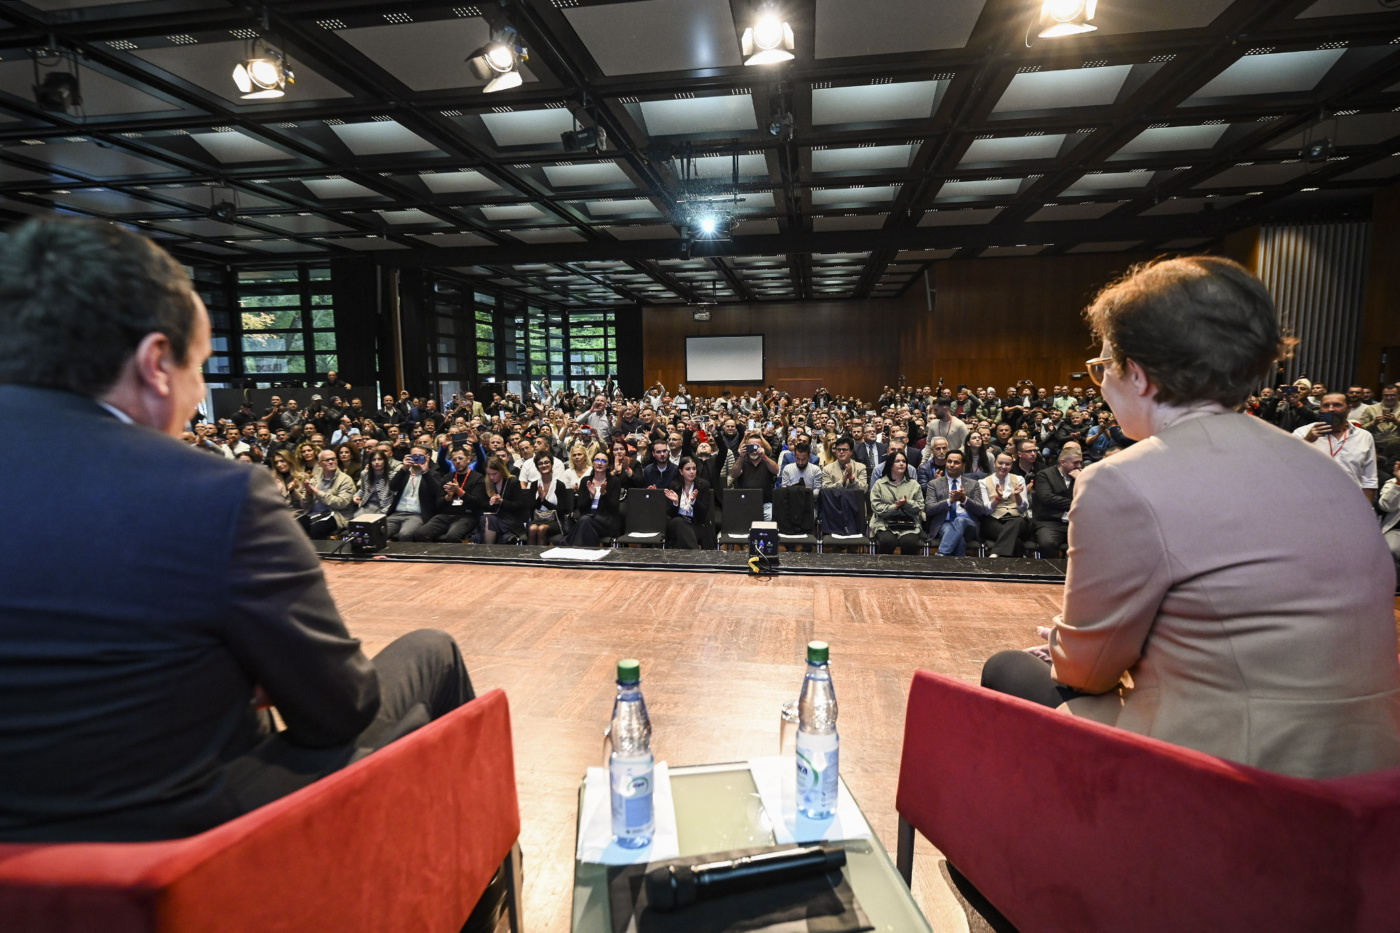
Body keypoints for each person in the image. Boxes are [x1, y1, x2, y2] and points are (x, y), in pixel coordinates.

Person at [0, 217, 476, 843]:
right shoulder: (215, 493)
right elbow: (339, 710)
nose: (198, 391)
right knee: (432, 651)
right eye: (200, 367)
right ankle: (466, 868)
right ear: (156, 363)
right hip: (177, 835)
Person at [981, 255, 1400, 780]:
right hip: (1373, 776)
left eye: (1102, 366)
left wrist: (1064, 648)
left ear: (1137, 374)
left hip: (1245, 780)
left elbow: (1088, 673)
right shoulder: (1327, 470)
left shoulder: (1121, 479)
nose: (1101, 384)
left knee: (1009, 670)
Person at [1294, 391, 1378, 504]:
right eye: (1326, 405)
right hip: (1310, 500)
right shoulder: (1302, 432)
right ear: (1320, 409)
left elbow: (1369, 479)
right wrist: (1307, 440)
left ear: (1348, 409)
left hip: (1350, 501)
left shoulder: (1364, 437)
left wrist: (1368, 510)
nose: (1330, 409)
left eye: (1337, 405)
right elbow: (1288, 464)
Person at [415, 447, 486, 543]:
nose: (457, 462)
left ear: (469, 459)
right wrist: (448, 497)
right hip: (445, 515)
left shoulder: (478, 478)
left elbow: (477, 503)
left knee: (452, 536)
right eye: (454, 459)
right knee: (420, 534)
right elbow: (438, 503)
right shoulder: (447, 477)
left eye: (460, 458)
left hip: (466, 516)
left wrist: (459, 491)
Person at [924, 450, 987, 557]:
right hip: (945, 523)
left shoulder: (973, 484)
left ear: (963, 465)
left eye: (956, 462)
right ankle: (952, 564)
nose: (952, 465)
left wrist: (964, 499)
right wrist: (950, 501)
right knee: (958, 539)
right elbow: (929, 509)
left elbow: (980, 510)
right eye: (949, 461)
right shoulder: (934, 484)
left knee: (959, 520)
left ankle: (941, 555)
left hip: (969, 525)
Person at [973, 452, 1028, 558]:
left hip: (1016, 519)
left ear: (1011, 465)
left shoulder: (1019, 479)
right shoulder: (983, 482)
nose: (1003, 466)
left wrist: (1017, 496)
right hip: (993, 520)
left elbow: (1023, 508)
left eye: (1007, 464)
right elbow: (986, 511)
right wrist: (998, 498)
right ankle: (1017, 561)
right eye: (1000, 463)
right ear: (994, 463)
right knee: (1015, 541)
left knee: (1018, 521)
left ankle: (995, 553)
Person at [869, 450, 923, 555]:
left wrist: (906, 504)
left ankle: (908, 566)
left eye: (904, 461)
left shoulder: (914, 484)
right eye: (897, 461)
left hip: (909, 524)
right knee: (888, 541)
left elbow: (920, 506)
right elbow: (876, 507)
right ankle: (882, 565)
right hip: (884, 523)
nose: (901, 463)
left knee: (909, 542)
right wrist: (895, 506)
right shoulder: (879, 484)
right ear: (890, 465)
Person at [1030, 447, 1082, 555]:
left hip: (1076, 522)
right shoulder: (1045, 475)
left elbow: (1091, 498)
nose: (1079, 466)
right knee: (1047, 543)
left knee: (1094, 541)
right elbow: (1047, 498)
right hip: (1050, 522)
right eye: (1075, 463)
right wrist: (1077, 503)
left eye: (1080, 462)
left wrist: (1080, 480)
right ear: (1063, 462)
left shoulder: (1082, 476)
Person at [301, 445, 357, 539]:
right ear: (320, 463)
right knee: (297, 525)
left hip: (336, 515)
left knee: (316, 529)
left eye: (333, 459)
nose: (331, 462)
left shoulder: (345, 480)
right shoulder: (315, 479)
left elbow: (342, 503)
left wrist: (318, 492)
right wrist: (308, 494)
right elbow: (304, 505)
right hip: (315, 513)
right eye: (327, 460)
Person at [569, 450, 622, 546]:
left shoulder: (614, 482)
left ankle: (568, 544)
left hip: (606, 521)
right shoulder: (586, 480)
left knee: (584, 521)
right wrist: (591, 497)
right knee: (586, 524)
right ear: (593, 463)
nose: (600, 463)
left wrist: (604, 494)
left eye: (603, 461)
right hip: (588, 518)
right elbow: (581, 508)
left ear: (608, 466)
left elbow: (614, 508)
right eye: (597, 460)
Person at [664, 456, 713, 550]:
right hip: (677, 523)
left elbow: (703, 513)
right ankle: (695, 553)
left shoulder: (703, 486)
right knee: (678, 522)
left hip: (696, 523)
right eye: (688, 469)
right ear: (681, 471)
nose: (692, 471)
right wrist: (675, 503)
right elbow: (670, 514)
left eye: (694, 469)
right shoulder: (674, 486)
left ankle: (691, 555)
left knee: (683, 536)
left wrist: (694, 502)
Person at [477, 456, 527, 544]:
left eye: (494, 474)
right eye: (489, 474)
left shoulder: (512, 482)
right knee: (487, 519)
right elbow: (481, 504)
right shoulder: (486, 482)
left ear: (501, 471)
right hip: (494, 517)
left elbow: (519, 506)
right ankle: (490, 547)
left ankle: (488, 549)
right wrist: (490, 503)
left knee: (488, 520)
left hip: (510, 520)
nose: (491, 477)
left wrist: (502, 502)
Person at [525, 452, 569, 545]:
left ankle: (541, 554)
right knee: (532, 528)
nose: (544, 465)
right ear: (537, 467)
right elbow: (530, 508)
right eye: (540, 463)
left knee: (541, 529)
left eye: (546, 462)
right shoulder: (534, 485)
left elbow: (562, 510)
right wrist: (540, 499)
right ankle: (530, 553)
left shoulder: (560, 485)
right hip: (537, 519)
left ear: (551, 464)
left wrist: (544, 501)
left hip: (555, 520)